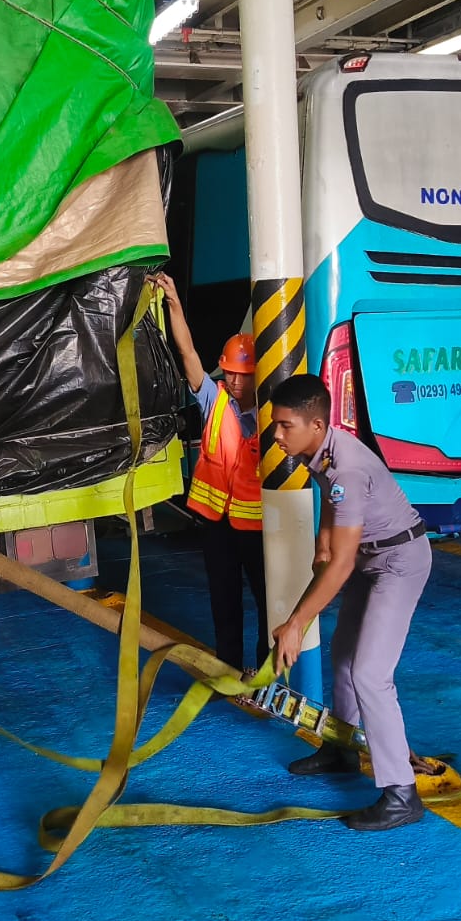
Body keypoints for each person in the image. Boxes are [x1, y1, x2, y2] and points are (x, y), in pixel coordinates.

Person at [268, 374, 432, 832]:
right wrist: (323, 538)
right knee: (343, 655)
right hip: (369, 556)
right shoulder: (321, 453)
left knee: (371, 674)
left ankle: (402, 794)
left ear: (316, 425)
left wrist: (297, 623)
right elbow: (330, 499)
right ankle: (340, 750)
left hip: (399, 560)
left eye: (285, 425)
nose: (276, 435)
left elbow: (339, 567)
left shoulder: (349, 469)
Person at [149, 272, 267, 672]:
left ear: (258, 374)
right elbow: (188, 355)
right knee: (223, 597)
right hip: (217, 523)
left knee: (268, 600)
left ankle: (265, 674)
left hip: (257, 528)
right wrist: (174, 306)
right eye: (228, 372)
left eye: (241, 374)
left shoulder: (273, 415)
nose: (232, 380)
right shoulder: (214, 400)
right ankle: (228, 667)